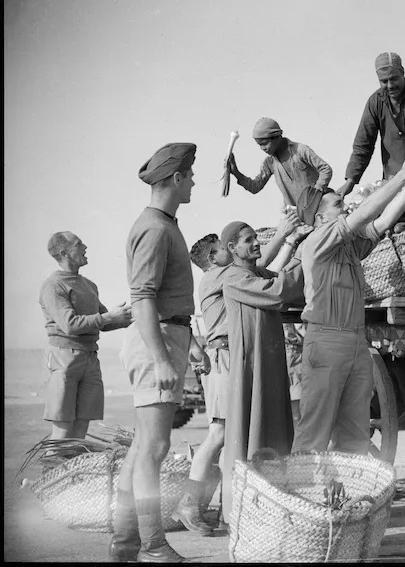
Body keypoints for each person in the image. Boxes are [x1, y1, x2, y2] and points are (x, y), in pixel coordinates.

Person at [170, 211, 307, 536]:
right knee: (221, 432)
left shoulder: (226, 274)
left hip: (233, 356)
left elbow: (262, 271)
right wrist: (286, 237)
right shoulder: (219, 275)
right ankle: (189, 502)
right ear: (214, 257)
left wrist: (288, 243)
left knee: (234, 433)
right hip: (225, 359)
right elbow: (265, 277)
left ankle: (222, 506)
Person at [291, 156, 405, 456]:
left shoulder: (347, 245)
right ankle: (300, 496)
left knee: (355, 430)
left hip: (355, 340)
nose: (346, 209)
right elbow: (364, 215)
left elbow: (380, 223)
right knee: (314, 430)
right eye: (338, 207)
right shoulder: (316, 243)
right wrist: (403, 174)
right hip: (326, 340)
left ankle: (348, 498)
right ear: (320, 219)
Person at [108, 142, 210, 563]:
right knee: (155, 448)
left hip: (167, 336)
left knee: (143, 446)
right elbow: (144, 297)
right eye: (189, 175)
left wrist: (191, 345)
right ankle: (152, 544)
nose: (193, 181)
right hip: (158, 341)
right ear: (174, 179)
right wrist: (162, 358)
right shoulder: (155, 228)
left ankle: (127, 542)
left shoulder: (163, 223)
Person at [219, 219, 310, 524]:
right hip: (252, 366)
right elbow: (280, 290)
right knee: (251, 426)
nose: (256, 243)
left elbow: (291, 288)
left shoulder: (255, 273)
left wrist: (297, 248)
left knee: (272, 424)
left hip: (268, 364)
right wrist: (307, 252)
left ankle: (270, 504)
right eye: (248, 240)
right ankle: (244, 511)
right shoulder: (232, 277)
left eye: (256, 238)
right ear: (232, 248)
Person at [39, 232, 132, 444]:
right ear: (65, 253)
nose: (85, 247)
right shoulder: (53, 285)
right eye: (79, 244)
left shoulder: (89, 285)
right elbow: (70, 324)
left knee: (80, 430)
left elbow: (104, 323)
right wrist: (109, 316)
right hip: (65, 359)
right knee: (62, 430)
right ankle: (51, 476)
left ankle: (72, 476)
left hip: (90, 358)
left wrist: (134, 317)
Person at [338, 52, 405, 198]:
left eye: (394, 79)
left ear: (402, 72)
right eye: (384, 81)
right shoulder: (375, 102)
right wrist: (351, 180)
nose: (390, 85)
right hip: (393, 181)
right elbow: (363, 145)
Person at [224, 117, 333, 207]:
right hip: (296, 215)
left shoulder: (300, 150)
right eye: (260, 145)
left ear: (277, 137)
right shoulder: (270, 163)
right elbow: (255, 186)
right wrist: (236, 172)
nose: (263, 148)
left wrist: (316, 193)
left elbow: (325, 169)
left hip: (320, 207)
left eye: (265, 144)